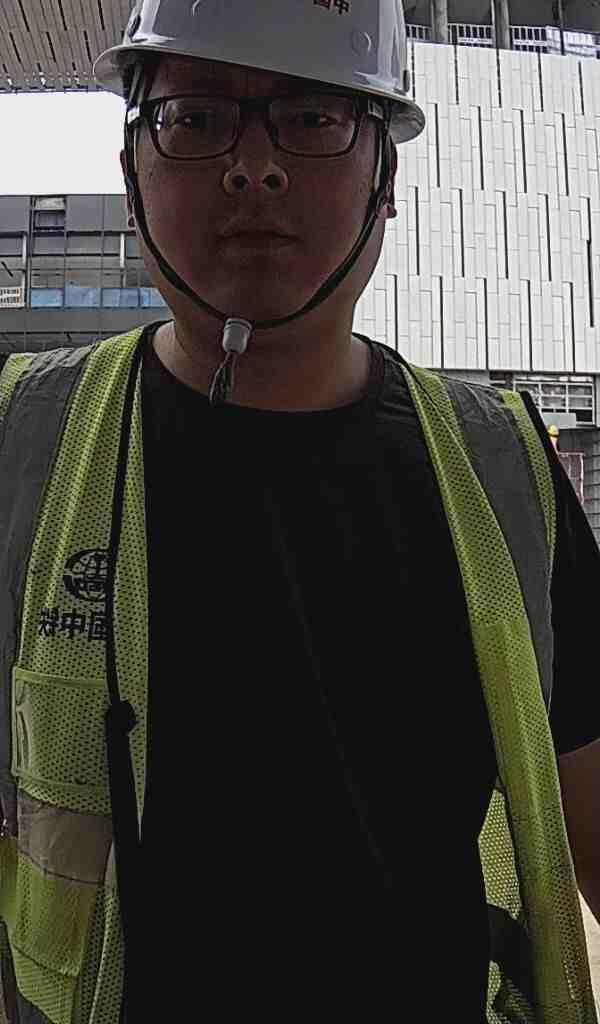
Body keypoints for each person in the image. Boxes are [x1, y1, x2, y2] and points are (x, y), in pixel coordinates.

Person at [0, 1, 599, 1021]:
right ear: (132, 171)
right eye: (196, 118)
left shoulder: (505, 470)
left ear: (386, 179)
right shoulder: (23, 443)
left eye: (312, 117)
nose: (254, 169)